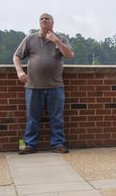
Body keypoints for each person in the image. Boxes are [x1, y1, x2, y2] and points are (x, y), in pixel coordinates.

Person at [13, 13, 74, 154]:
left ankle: (58, 144)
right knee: (32, 118)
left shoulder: (62, 39)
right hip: (33, 87)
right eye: (41, 19)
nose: (44, 20)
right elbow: (16, 56)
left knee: (57, 118)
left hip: (55, 87)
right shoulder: (30, 39)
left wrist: (56, 41)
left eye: (47, 18)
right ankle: (30, 145)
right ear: (39, 23)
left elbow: (69, 55)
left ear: (53, 22)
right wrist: (20, 72)